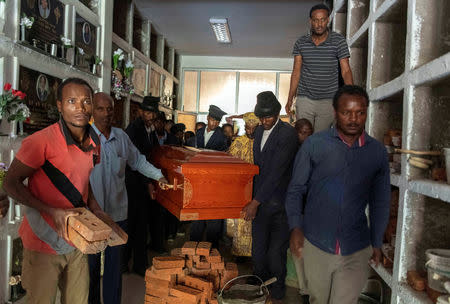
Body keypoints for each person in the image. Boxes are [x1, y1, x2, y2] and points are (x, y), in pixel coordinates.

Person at [3, 78, 110, 304]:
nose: (80, 108)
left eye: (86, 102)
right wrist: (51, 211)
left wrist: (95, 207)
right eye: (72, 101)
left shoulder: (94, 142)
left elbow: (82, 180)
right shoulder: (40, 141)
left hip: (77, 239)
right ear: (60, 105)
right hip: (43, 241)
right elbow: (10, 183)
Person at [286, 85, 390, 304]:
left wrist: (377, 242)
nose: (354, 119)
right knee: (318, 300)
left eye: (360, 112)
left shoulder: (377, 152)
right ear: (335, 112)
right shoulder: (315, 145)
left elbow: (380, 201)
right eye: (346, 112)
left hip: (356, 247)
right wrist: (295, 227)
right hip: (316, 243)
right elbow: (296, 189)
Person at [88, 93, 168, 304]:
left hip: (117, 215)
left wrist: (158, 175)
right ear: (91, 111)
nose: (106, 114)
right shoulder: (82, 138)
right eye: (100, 109)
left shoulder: (121, 137)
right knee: (91, 269)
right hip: (91, 216)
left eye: (110, 109)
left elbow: (138, 161)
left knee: (115, 269)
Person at [242, 91, 299, 303]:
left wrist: (254, 202)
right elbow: (258, 168)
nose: (264, 121)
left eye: (268, 117)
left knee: (275, 253)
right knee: (258, 251)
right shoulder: (257, 132)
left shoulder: (287, 135)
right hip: (260, 202)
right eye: (261, 117)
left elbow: (276, 172)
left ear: (277, 114)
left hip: (280, 205)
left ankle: (277, 293)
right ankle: (258, 286)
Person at [285, 4, 353, 133]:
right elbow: (296, 72)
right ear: (311, 21)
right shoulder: (301, 43)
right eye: (316, 20)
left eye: (322, 20)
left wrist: (351, 96)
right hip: (305, 98)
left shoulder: (338, 41)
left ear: (328, 20)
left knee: (320, 138)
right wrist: (290, 99)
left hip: (328, 100)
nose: (319, 24)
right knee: (303, 136)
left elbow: (346, 71)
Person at [124, 95, 164, 275]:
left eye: (152, 113)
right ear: (141, 112)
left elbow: (153, 154)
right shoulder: (134, 130)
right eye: (147, 112)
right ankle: (129, 264)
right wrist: (148, 183)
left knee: (140, 226)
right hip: (133, 184)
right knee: (134, 226)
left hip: (144, 182)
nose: (149, 116)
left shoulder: (150, 129)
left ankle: (136, 264)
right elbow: (136, 161)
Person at [190, 105, 228, 248]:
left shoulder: (222, 138)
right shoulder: (199, 132)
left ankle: (212, 250)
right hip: (198, 181)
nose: (215, 124)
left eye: (217, 122)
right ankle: (193, 248)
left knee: (213, 219)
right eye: (213, 120)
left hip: (214, 182)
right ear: (208, 118)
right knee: (197, 216)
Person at [227, 112, 259, 258]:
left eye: (253, 128)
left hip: (258, 186)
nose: (250, 131)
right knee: (241, 219)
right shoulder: (239, 142)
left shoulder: (262, 141)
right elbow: (231, 162)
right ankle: (240, 253)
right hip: (241, 186)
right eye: (248, 128)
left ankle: (255, 252)